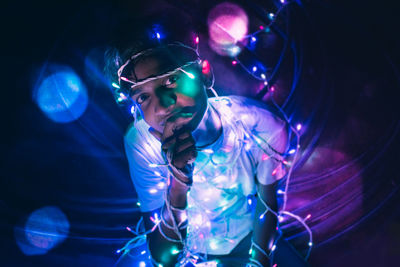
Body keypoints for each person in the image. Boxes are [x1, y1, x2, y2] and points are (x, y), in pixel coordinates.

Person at [106, 38, 308, 267]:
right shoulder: (142, 142)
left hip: (248, 240)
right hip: (182, 251)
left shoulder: (260, 124)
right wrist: (178, 182)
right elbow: (164, 258)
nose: (163, 105)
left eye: (172, 80)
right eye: (143, 96)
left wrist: (258, 262)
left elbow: (267, 207)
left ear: (204, 73)